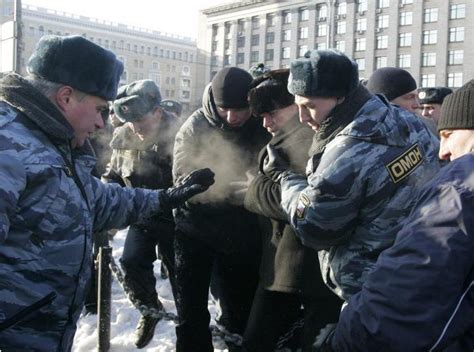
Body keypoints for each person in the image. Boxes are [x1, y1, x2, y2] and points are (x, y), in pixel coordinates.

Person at [0, 35, 215, 351]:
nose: (104, 124)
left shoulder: (52, 142)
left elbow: (98, 200)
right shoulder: (9, 147)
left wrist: (165, 197)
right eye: (100, 109)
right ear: (66, 97)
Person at [263, 49, 440, 303]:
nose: (303, 118)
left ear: (340, 97)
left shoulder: (347, 151)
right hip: (422, 269)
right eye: (298, 106)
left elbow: (314, 226)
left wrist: (286, 178)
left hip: (373, 289)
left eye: (310, 106)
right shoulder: (407, 121)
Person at [314, 79, 474, 352]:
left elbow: (402, 302)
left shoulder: (461, 186)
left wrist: (347, 338)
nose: (442, 151)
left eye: (447, 135)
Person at [241, 69, 342, 352]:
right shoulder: (287, 136)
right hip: (285, 267)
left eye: (272, 112)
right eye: (261, 116)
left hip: (302, 271)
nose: (266, 123)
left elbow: (307, 204)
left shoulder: (306, 140)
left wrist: (253, 190)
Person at [172, 67, 270, 352]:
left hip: (242, 230)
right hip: (194, 229)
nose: (232, 117)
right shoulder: (194, 127)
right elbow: (181, 179)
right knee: (190, 313)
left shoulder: (261, 121)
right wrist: (219, 186)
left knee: (238, 310)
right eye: (224, 108)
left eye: (240, 109)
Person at [101, 79, 180, 348]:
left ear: (157, 112)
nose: (135, 128)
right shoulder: (124, 134)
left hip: (177, 219)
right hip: (142, 213)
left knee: (181, 276)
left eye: (141, 121)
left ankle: (188, 327)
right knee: (132, 262)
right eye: (130, 122)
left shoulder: (181, 135)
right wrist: (106, 197)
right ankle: (150, 309)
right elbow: (113, 173)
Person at [366, 67, 438, 135]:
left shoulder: (426, 128)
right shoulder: (361, 137)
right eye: (410, 97)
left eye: (416, 97)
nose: (417, 105)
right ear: (385, 102)